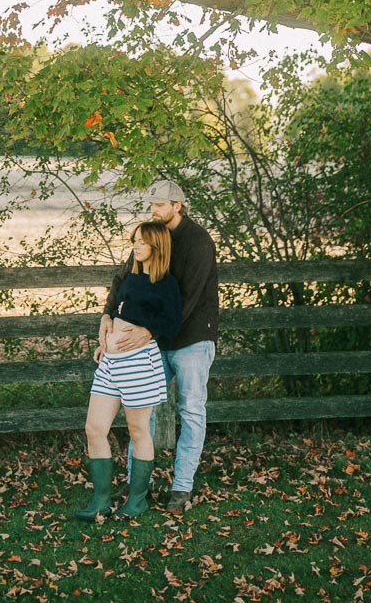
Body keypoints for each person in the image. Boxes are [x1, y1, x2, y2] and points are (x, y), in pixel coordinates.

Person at [100, 180, 218, 511]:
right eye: (151, 205)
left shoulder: (198, 242)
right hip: (150, 340)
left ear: (178, 206)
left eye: (160, 205)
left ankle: (181, 487)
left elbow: (189, 299)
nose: (153, 210)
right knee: (141, 408)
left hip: (191, 338)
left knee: (191, 410)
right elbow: (125, 277)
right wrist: (108, 314)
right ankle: (139, 485)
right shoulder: (152, 233)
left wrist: (149, 331)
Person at [74, 221, 183, 522]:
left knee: (138, 431)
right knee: (94, 428)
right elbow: (116, 309)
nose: (135, 246)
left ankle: (137, 501)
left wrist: (149, 331)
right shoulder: (131, 278)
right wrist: (106, 333)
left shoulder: (167, 285)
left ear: (157, 247)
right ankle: (100, 502)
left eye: (142, 242)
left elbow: (174, 323)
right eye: (134, 241)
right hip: (110, 362)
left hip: (139, 364)